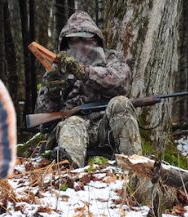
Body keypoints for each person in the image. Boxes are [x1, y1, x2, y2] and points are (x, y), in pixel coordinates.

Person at [35, 10, 142, 167]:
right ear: (66, 43)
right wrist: (52, 92)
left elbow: (120, 83)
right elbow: (42, 116)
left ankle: (136, 167)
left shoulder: (111, 58)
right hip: (72, 129)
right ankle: (68, 174)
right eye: (75, 40)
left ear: (96, 40)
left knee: (121, 103)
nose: (81, 45)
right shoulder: (56, 69)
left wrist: (84, 72)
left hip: (106, 128)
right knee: (72, 122)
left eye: (87, 39)